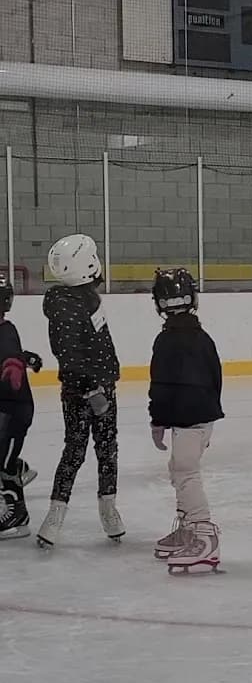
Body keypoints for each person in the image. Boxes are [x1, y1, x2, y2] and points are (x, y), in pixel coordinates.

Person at [38, 234, 124, 549]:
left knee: (107, 449)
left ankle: (109, 509)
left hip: (103, 386)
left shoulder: (85, 298)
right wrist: (91, 388)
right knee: (75, 451)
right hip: (84, 391)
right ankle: (55, 517)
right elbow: (68, 352)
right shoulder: (66, 306)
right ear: (85, 264)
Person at [149, 267, 223, 573]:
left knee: (185, 470)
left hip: (188, 418)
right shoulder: (202, 337)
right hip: (201, 417)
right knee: (180, 469)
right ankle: (189, 527)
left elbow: (161, 386)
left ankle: (205, 535)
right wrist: (209, 412)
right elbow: (216, 375)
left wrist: (157, 420)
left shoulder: (165, 341)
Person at [0, 276, 42, 540]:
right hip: (6, 408)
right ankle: (20, 468)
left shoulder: (6, 331)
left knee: (2, 463)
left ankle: (17, 516)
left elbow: (11, 356)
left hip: (14, 410)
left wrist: (18, 363)